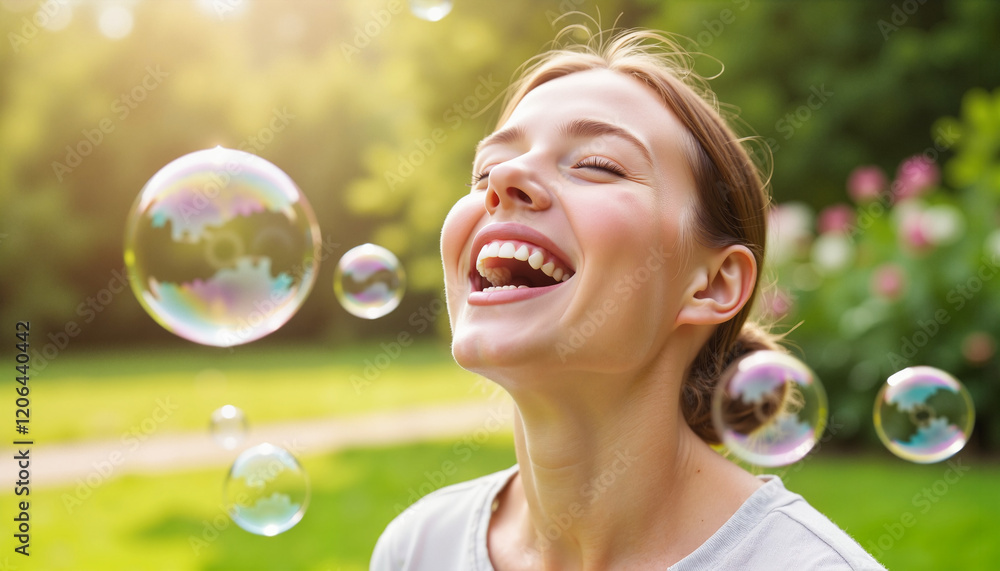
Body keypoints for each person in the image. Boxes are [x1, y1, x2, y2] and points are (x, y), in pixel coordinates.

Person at [371, 25, 886, 570]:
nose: (505, 177)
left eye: (596, 165)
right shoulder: (417, 549)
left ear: (712, 284)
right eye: (484, 170)